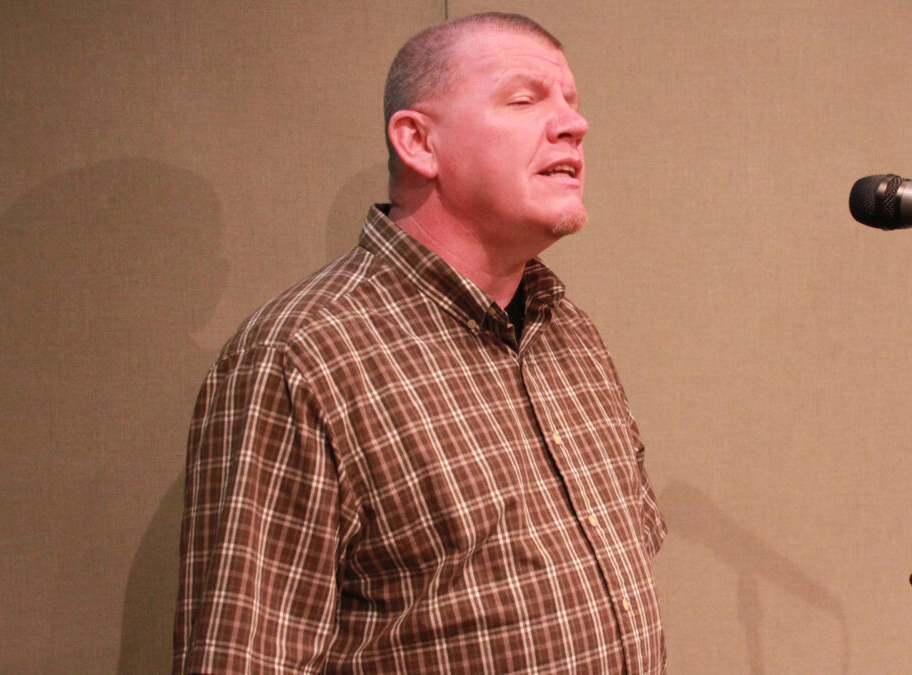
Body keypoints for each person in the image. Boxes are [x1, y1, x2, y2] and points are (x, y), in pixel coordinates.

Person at [174, 12, 666, 674]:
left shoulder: (569, 334)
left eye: (571, 104)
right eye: (525, 99)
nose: (574, 124)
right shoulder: (300, 358)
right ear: (417, 141)